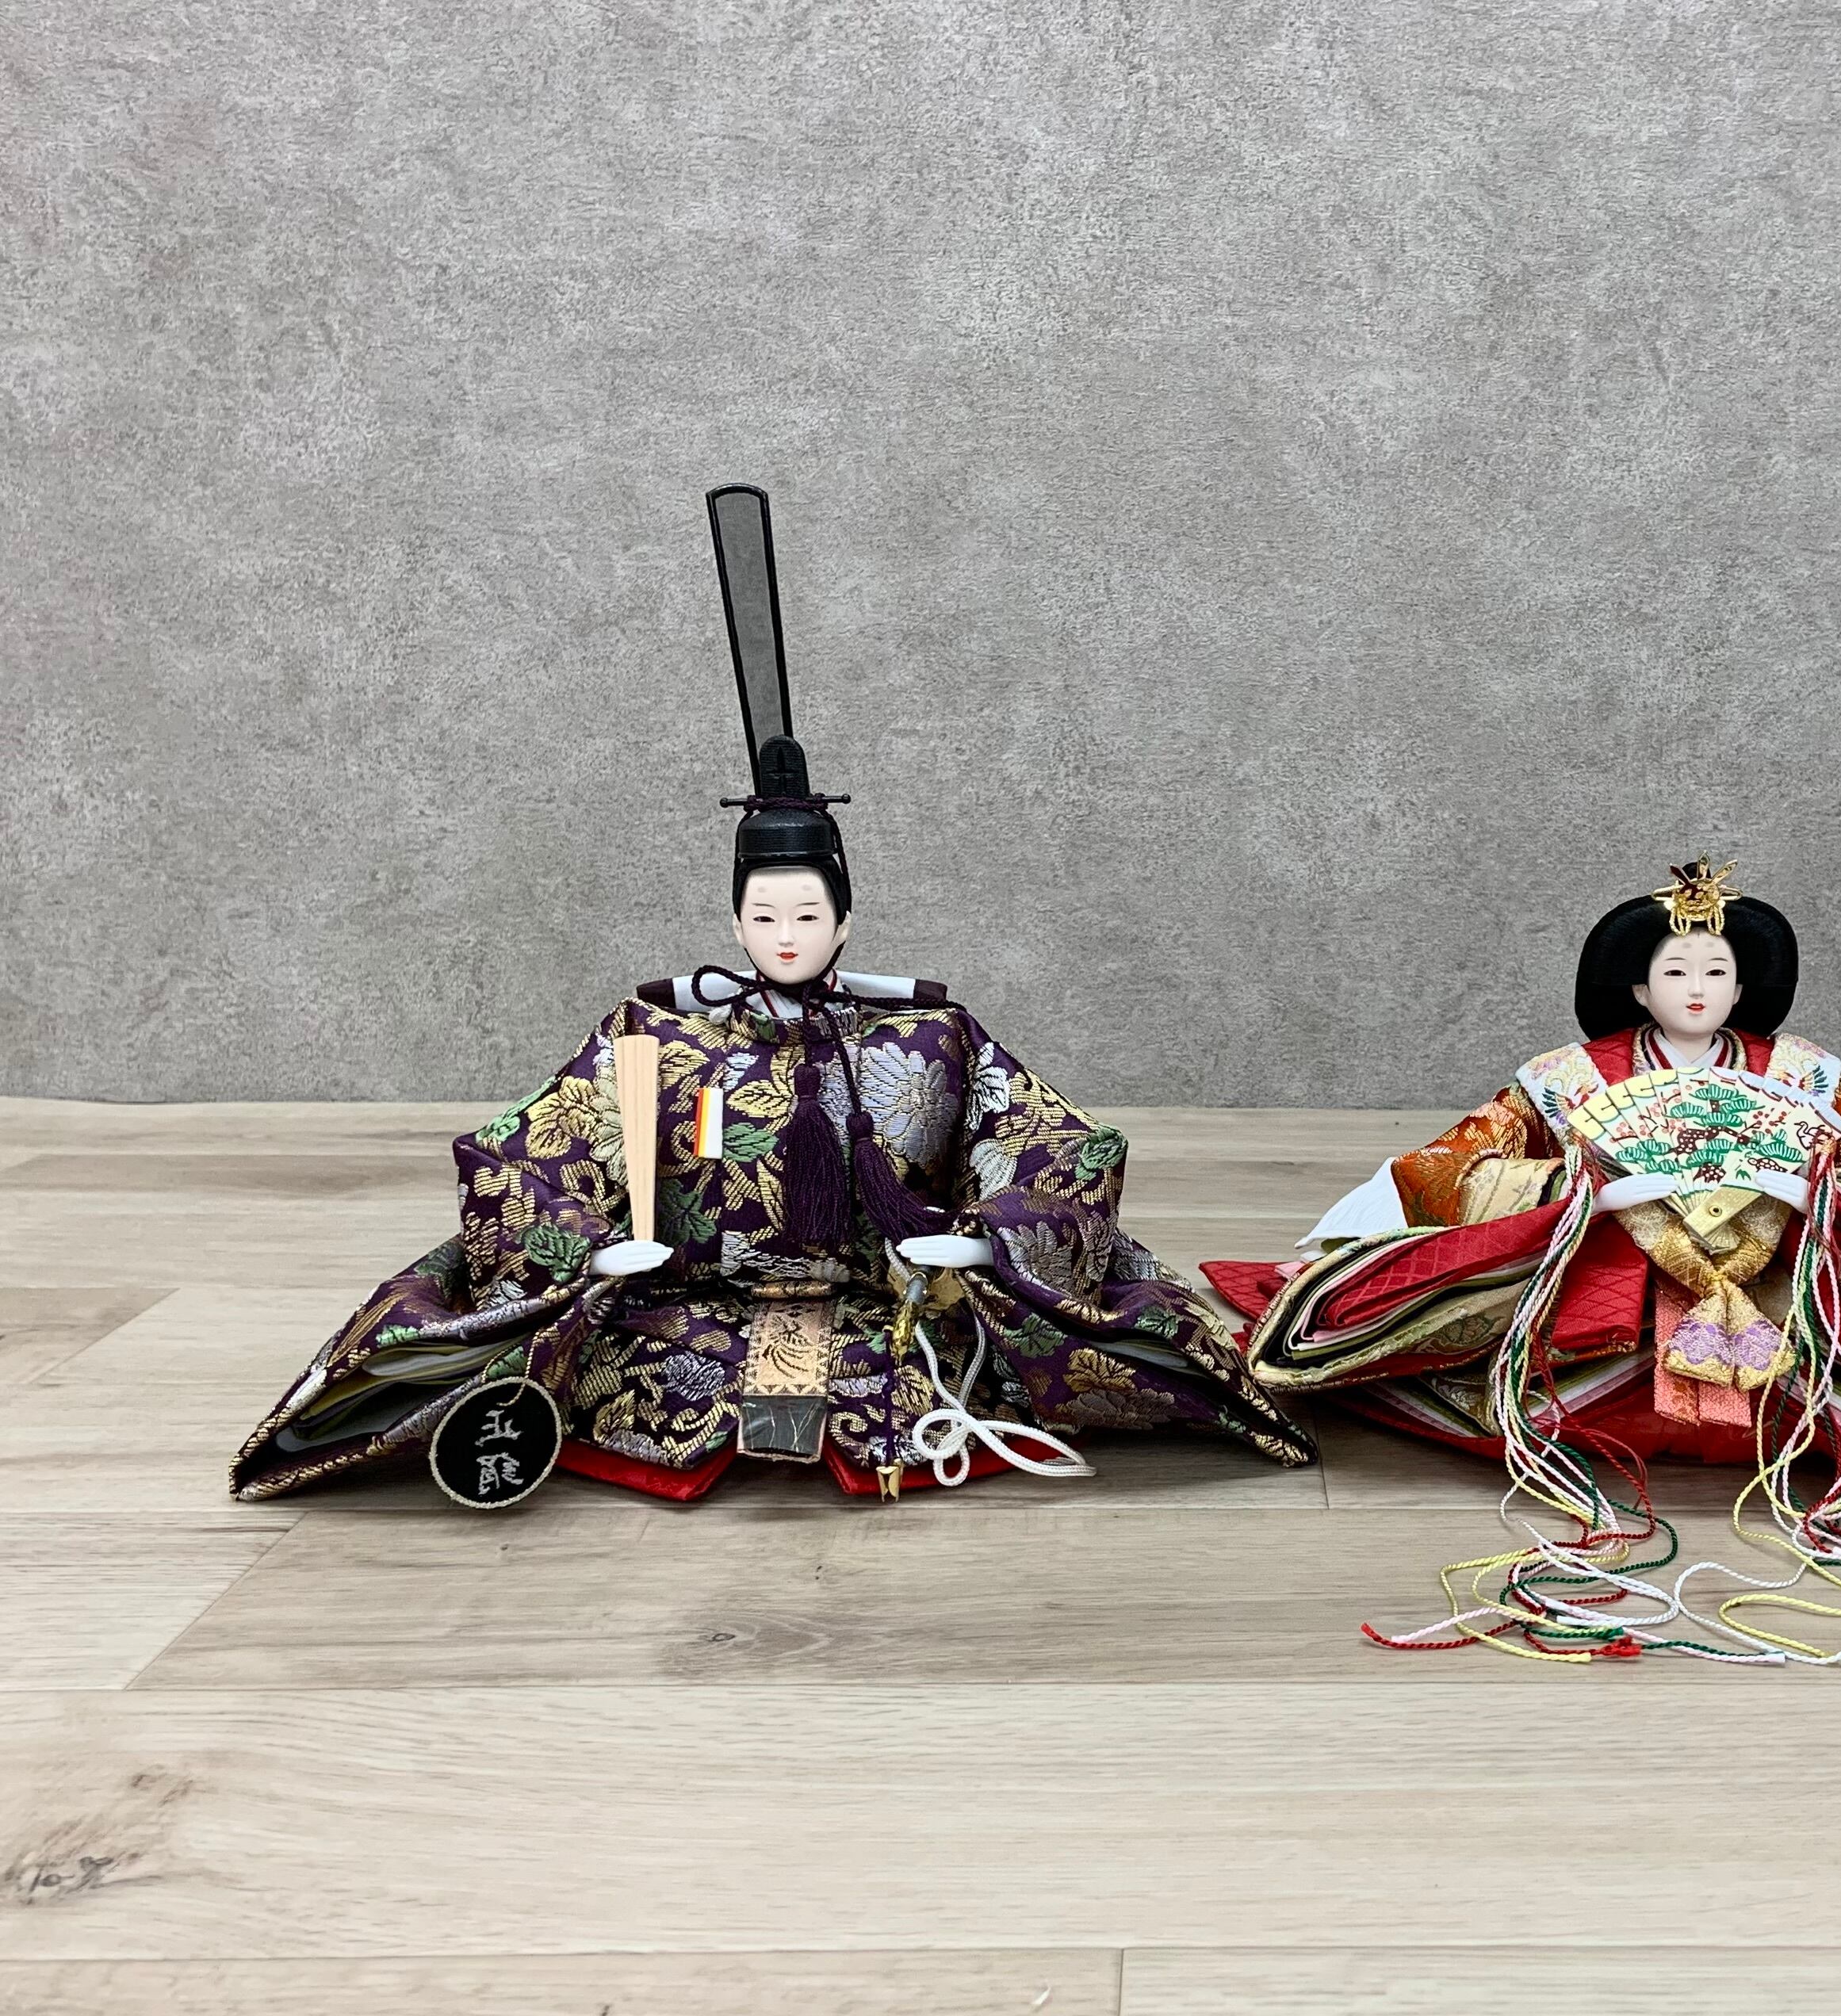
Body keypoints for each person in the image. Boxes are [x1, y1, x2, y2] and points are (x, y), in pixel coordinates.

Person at [233, 488, 1312, 1509]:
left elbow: (1051, 1144)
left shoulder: (930, 1034)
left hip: (902, 1313)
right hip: (671, 1315)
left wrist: (989, 1242)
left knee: (962, 1362)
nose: (785, 935)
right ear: (735, 919)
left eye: (807, 912)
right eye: (763, 914)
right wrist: (589, 1246)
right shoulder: (654, 1033)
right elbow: (526, 1153)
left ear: (845, 919)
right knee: (594, 1362)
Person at [1204, 859, 1841, 1494]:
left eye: (1715, 972)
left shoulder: (1804, 1075)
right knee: (1529, 1360)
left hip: (1782, 1272)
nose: (1696, 989)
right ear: (1637, 986)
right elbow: (1450, 1169)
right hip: (1611, 1275)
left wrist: (1812, 1196)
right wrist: (1591, 1197)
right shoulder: (1567, 1077)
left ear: (1743, 986)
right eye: (1675, 972)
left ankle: (1798, 1394)